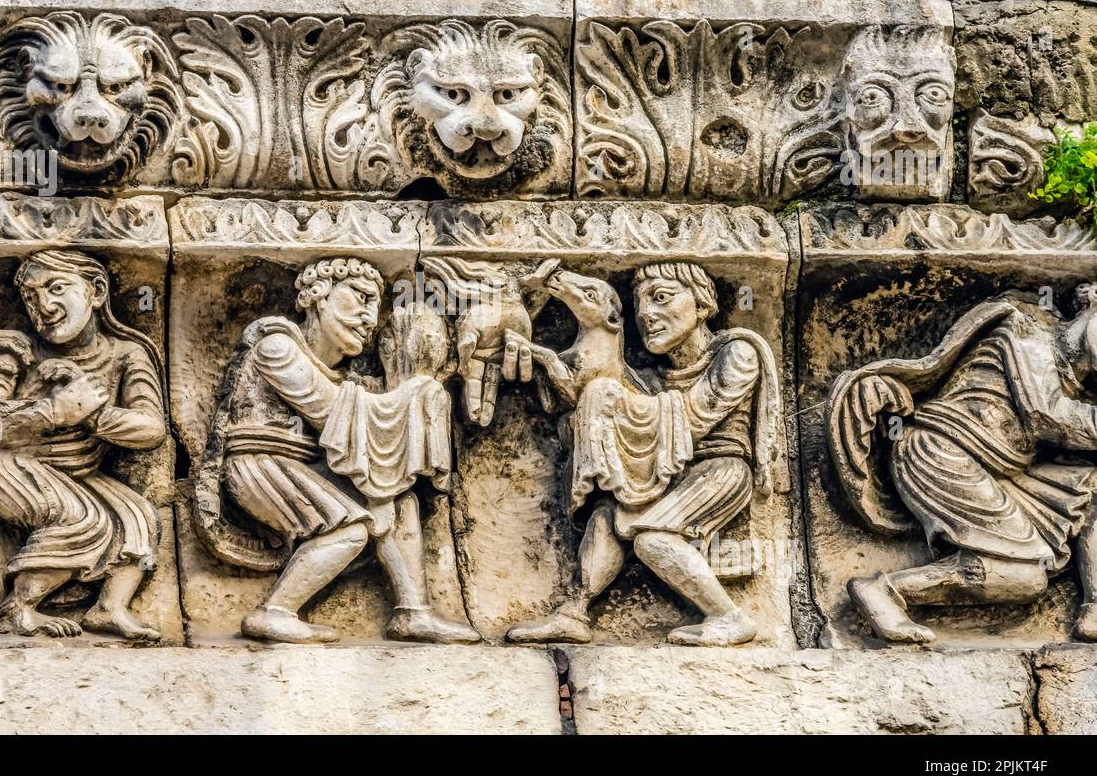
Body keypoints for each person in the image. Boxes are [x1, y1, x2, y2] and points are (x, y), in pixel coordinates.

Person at [201, 256, 479, 644]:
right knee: (352, 528)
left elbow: (361, 421)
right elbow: (329, 411)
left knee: (399, 501)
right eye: (359, 297)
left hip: (306, 467)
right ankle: (274, 612)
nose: (368, 317)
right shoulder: (278, 347)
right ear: (317, 296)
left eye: (375, 306)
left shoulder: (349, 379)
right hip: (262, 467)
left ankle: (413, 613)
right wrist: (411, 392)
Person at [507, 261, 781, 646]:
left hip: (719, 470)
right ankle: (574, 613)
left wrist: (611, 400)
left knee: (651, 538)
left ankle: (728, 616)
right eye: (640, 305)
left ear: (702, 305)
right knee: (605, 516)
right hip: (665, 472)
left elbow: (694, 417)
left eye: (662, 298)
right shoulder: (650, 380)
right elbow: (591, 396)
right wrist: (549, 361)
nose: (647, 315)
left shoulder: (737, 354)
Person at [830, 287, 1097, 643]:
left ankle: (1093, 605)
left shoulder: (1072, 382)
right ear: (1091, 303)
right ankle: (885, 590)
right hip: (941, 452)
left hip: (1003, 471)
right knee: (1024, 578)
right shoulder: (1026, 336)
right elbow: (1047, 418)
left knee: (1086, 496)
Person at [0, 250, 168, 640]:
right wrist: (54, 410)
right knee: (80, 518)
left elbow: (151, 428)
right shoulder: (15, 352)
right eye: (30, 297)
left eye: (57, 287)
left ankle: (108, 608)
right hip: (12, 469)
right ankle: (21, 607)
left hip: (81, 472)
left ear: (96, 292)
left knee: (139, 516)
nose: (43, 306)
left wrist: (94, 416)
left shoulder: (128, 355)